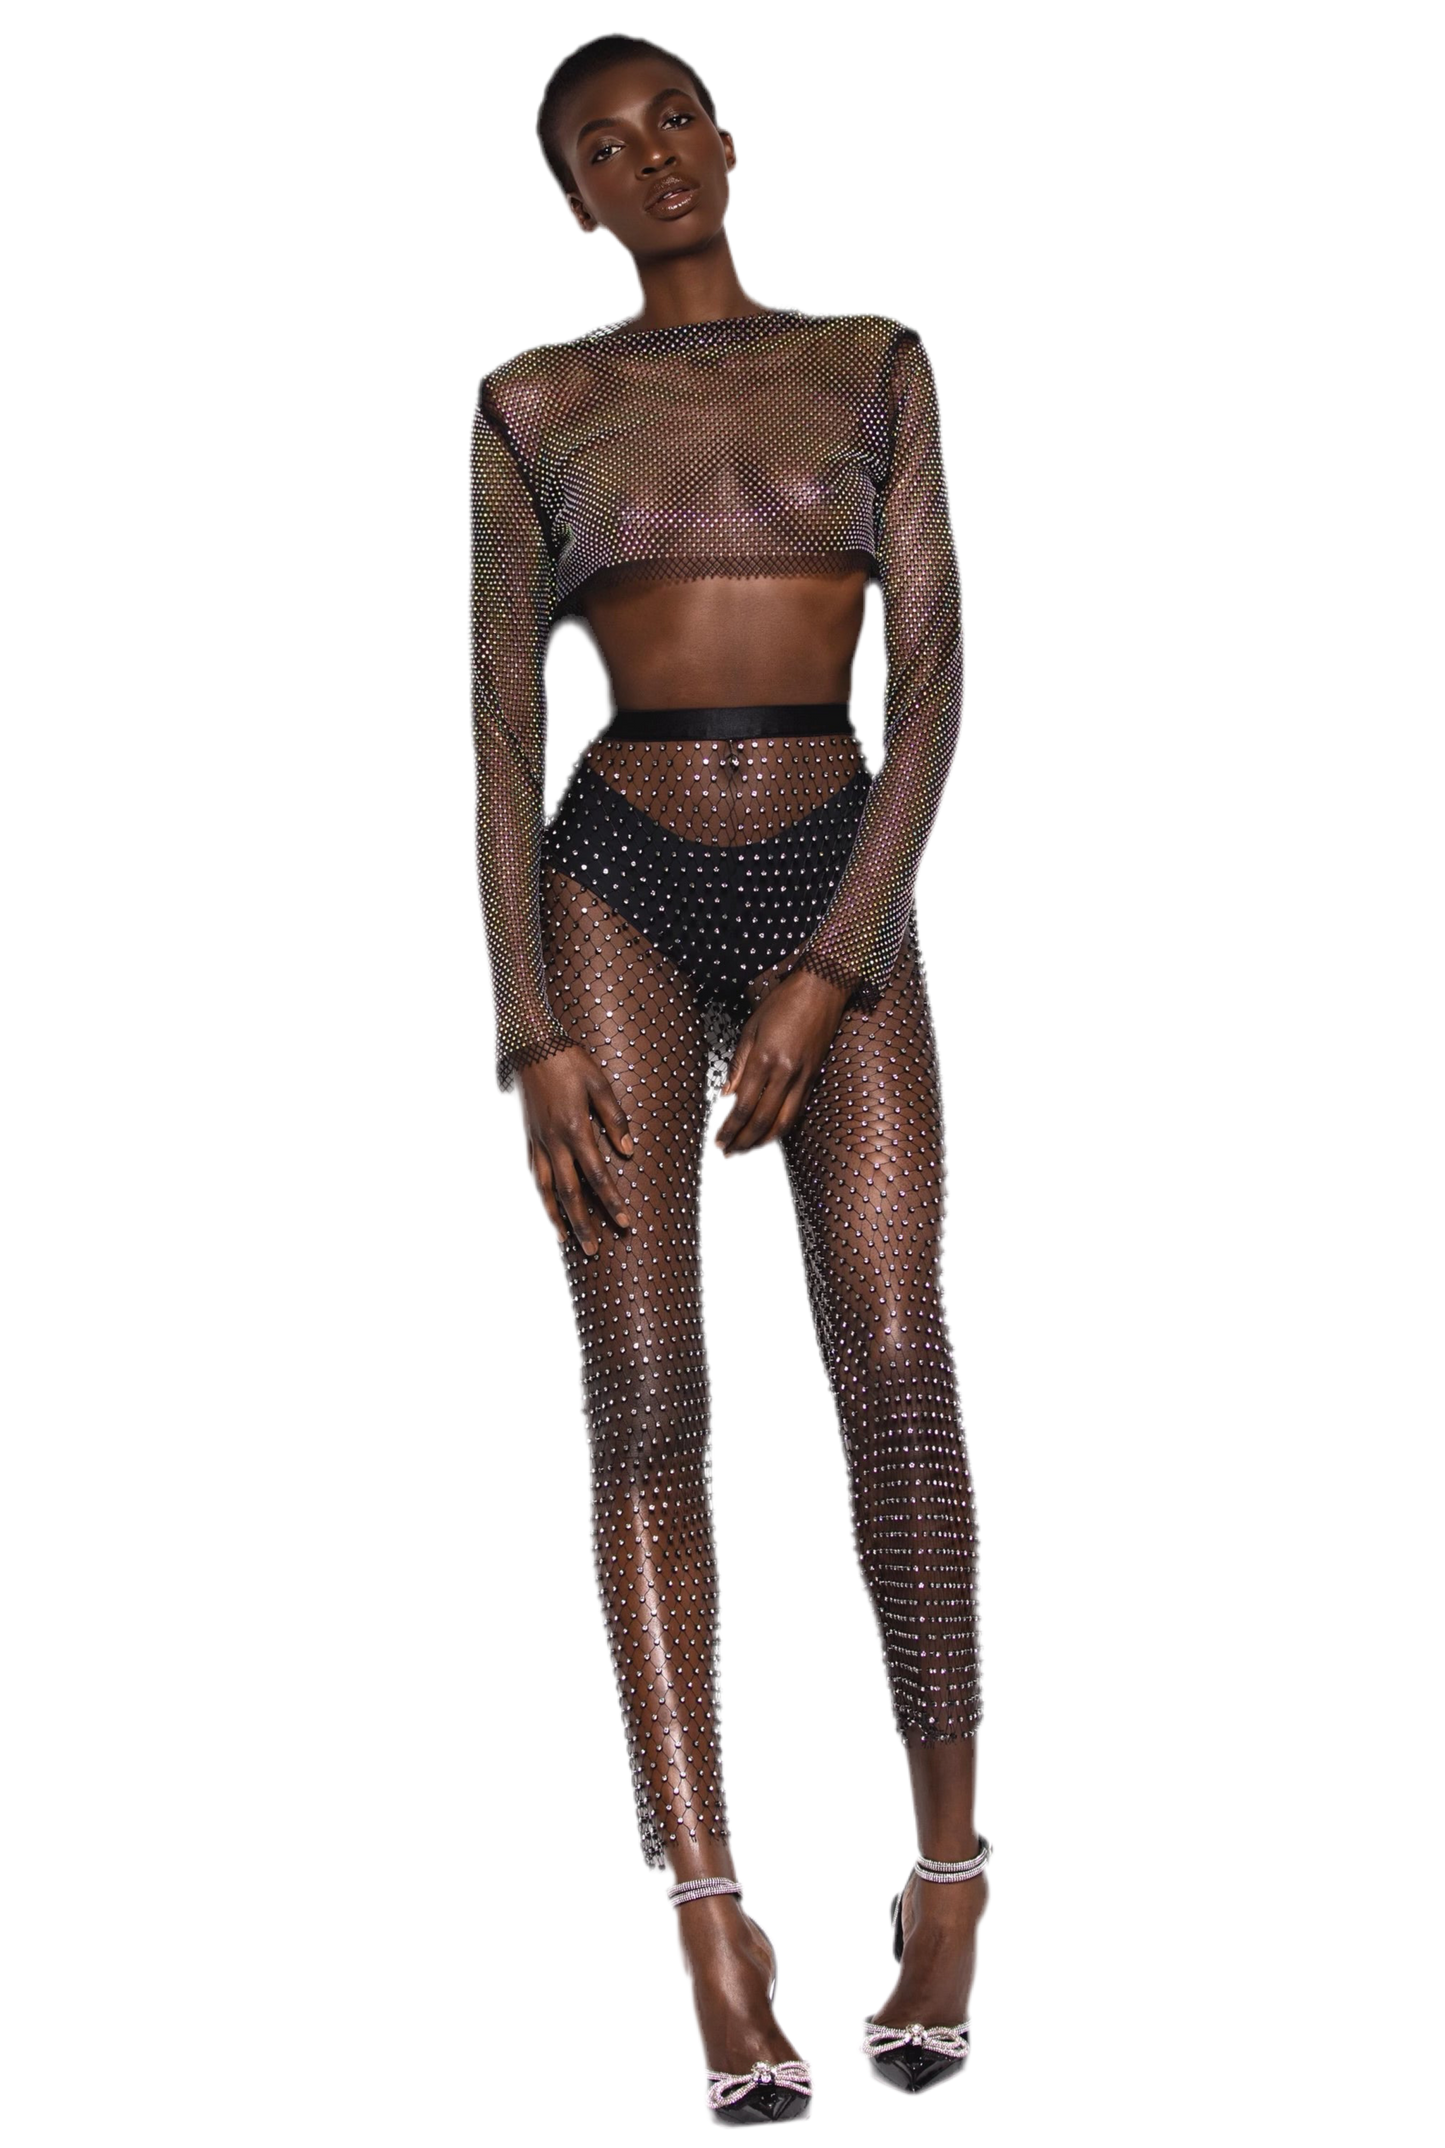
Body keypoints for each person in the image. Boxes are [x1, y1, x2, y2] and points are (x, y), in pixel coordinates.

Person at [465, 31, 994, 2127]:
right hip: (608, 876)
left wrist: (834, 962)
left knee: (895, 1356)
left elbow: (933, 673)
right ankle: (708, 1915)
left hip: (831, 865)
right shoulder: (530, 402)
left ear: (731, 139)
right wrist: (519, 1024)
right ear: (574, 204)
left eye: (673, 118)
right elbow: (494, 719)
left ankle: (946, 1875)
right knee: (640, 1387)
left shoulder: (874, 363)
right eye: (605, 149)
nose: (652, 158)